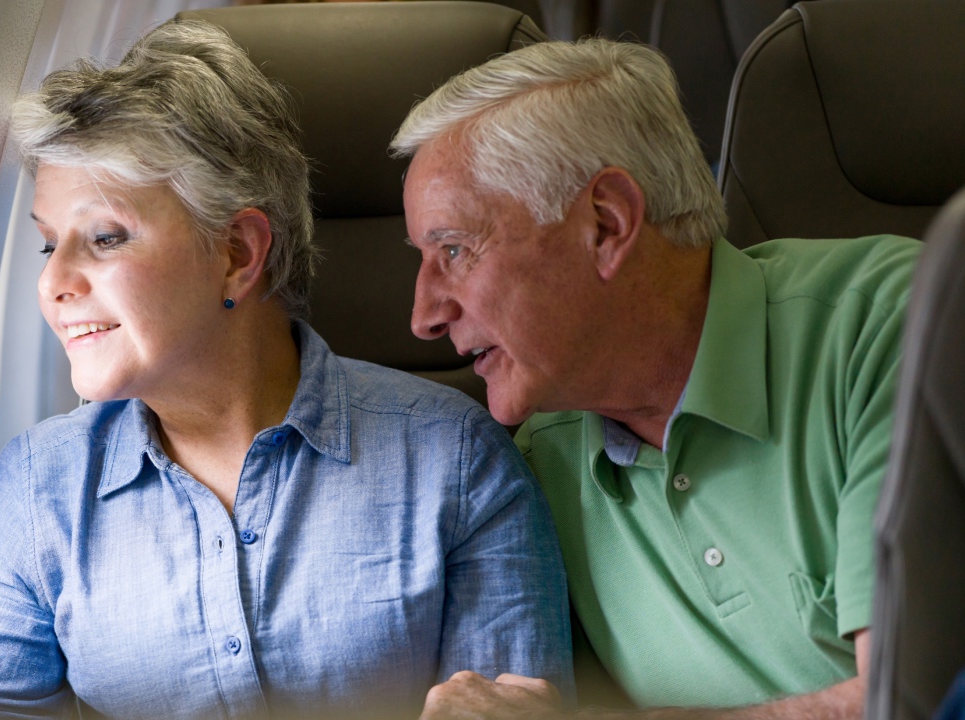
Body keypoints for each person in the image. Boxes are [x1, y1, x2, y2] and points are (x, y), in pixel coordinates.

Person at [0, 19, 573, 719]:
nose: (53, 283)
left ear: (238, 253)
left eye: (106, 237)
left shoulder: (460, 463)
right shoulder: (36, 490)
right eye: (50, 244)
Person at [392, 38, 920, 719]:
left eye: (454, 250)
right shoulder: (530, 465)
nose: (423, 316)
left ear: (606, 223)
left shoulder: (895, 327)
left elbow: (920, 700)